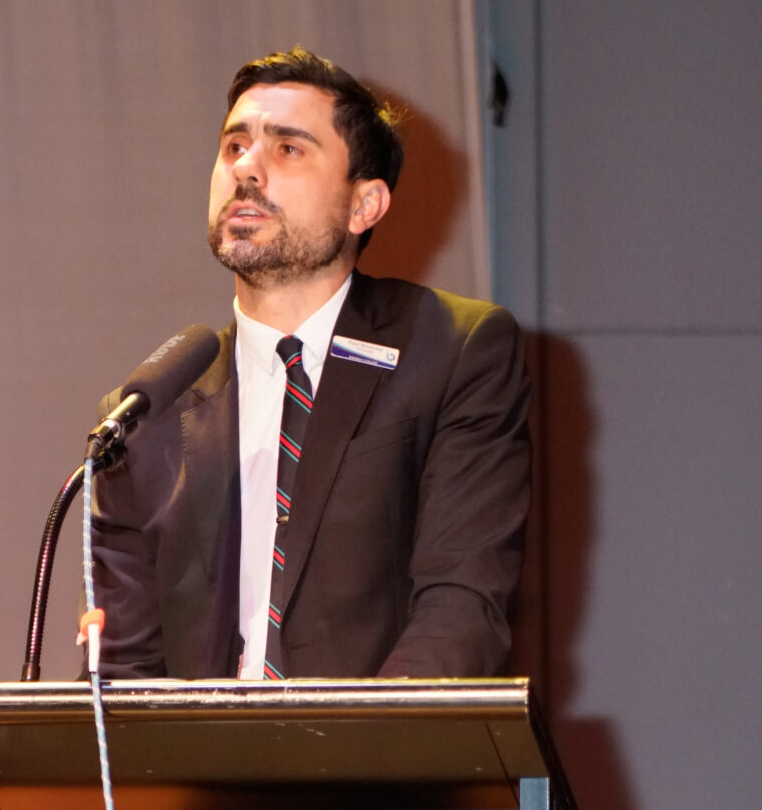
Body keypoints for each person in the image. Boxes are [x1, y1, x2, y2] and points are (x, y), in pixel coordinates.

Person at [92, 49, 531, 680]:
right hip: (203, 746)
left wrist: (349, 741)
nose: (247, 168)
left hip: (379, 741)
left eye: (288, 148)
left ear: (364, 205)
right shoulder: (143, 412)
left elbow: (462, 606)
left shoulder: (453, 351)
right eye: (234, 145)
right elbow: (124, 672)